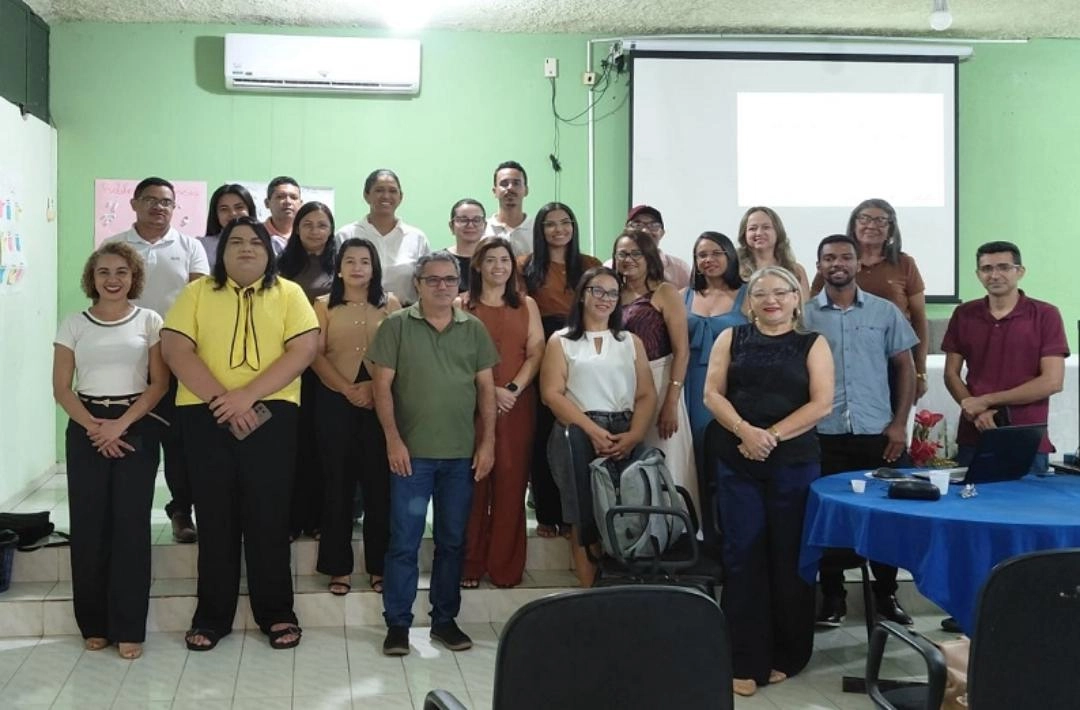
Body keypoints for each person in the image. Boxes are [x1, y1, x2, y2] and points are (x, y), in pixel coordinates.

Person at [161, 216, 318, 652]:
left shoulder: (290, 293)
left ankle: (277, 614)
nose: (246, 248)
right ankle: (212, 617)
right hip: (204, 415)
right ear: (221, 251)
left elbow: (304, 349)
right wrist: (223, 401)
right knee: (215, 519)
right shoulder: (196, 293)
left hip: (273, 413)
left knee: (269, 518)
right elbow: (176, 348)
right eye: (236, 242)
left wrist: (246, 396)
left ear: (270, 252)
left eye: (256, 242)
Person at [703, 266, 833, 697]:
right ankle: (743, 657)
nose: (771, 299)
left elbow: (822, 404)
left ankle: (786, 654)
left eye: (781, 292)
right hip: (737, 459)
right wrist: (746, 432)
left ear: (797, 299)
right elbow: (712, 394)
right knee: (743, 555)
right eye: (761, 293)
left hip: (793, 462)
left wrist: (771, 436)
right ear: (749, 301)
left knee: (789, 556)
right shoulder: (731, 338)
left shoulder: (812, 344)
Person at [369, 251, 498, 657]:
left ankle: (444, 620)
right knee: (404, 542)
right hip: (411, 457)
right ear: (418, 285)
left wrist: (488, 441)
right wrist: (392, 439)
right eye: (432, 280)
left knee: (452, 541)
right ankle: (398, 625)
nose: (442, 286)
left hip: (460, 456)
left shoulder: (474, 329)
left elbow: (486, 390)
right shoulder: (395, 327)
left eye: (449, 279)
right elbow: (382, 388)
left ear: (459, 283)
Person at [53, 242, 168, 661]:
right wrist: (95, 428)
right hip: (86, 425)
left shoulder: (150, 321)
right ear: (92, 278)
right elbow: (62, 388)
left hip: (134, 424)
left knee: (131, 526)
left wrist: (119, 425)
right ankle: (95, 623)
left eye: (121, 271)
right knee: (89, 526)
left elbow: (158, 384)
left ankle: (129, 626)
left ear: (133, 277)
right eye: (104, 272)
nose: (113, 279)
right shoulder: (73, 324)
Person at [803, 234, 919, 628]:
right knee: (829, 517)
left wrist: (900, 423)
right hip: (825, 432)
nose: (838, 263)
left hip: (878, 432)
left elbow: (904, 367)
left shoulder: (885, 312)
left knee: (887, 516)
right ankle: (832, 596)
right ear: (818, 265)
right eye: (829, 257)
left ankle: (886, 595)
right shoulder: (803, 317)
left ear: (857, 264)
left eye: (845, 257)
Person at [105, 176, 209, 545]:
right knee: (134, 435)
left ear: (174, 208)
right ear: (134, 204)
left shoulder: (190, 246)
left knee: (178, 438)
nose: (158, 207)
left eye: (166, 202)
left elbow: (201, 301)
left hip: (178, 356)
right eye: (150, 200)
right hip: (129, 358)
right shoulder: (114, 245)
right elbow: (105, 297)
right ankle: (126, 515)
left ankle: (181, 510)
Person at [540, 266, 656, 587]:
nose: (605, 299)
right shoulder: (561, 341)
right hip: (576, 429)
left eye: (612, 293)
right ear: (582, 295)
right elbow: (551, 394)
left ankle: (622, 588)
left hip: (624, 430)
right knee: (584, 515)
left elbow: (646, 394)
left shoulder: (630, 341)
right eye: (597, 291)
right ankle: (590, 592)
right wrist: (591, 430)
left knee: (627, 511)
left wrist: (634, 435)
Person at [311, 237, 401, 596]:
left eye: (365, 261)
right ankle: (337, 567)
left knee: (380, 487)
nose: (358, 267)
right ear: (339, 266)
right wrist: (347, 389)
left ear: (374, 267)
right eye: (350, 261)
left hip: (381, 398)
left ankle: (379, 566)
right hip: (335, 399)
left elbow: (399, 351)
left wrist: (371, 389)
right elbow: (315, 355)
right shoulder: (322, 305)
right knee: (338, 485)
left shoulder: (390, 303)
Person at [457, 237, 544, 589]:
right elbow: (454, 355)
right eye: (490, 260)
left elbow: (536, 351)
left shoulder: (527, 305)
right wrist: (489, 392)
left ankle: (505, 567)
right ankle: (470, 563)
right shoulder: (462, 304)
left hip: (516, 404)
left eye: (504, 260)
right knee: (473, 483)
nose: (498, 267)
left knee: (511, 485)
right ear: (477, 265)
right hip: (471, 405)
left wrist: (512, 389)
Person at [943, 241, 1068, 473]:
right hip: (975, 434)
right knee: (968, 506)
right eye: (987, 269)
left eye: (1003, 267)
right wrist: (977, 410)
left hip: (1027, 435)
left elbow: (1052, 381)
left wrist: (986, 401)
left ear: (1019, 271)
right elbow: (951, 373)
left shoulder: (1045, 315)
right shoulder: (964, 314)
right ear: (978, 274)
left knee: (1027, 508)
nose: (995, 275)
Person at [520, 202, 601, 539]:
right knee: (544, 431)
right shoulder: (526, 266)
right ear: (540, 231)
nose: (558, 230)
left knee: (577, 429)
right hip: (545, 347)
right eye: (550, 224)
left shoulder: (590, 265)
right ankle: (549, 512)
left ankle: (578, 513)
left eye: (565, 223)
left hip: (584, 348)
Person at [612, 229, 698, 519]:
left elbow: (682, 351)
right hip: (621, 387)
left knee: (667, 461)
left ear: (649, 256)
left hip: (661, 381)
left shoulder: (665, 292)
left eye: (635, 253)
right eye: (622, 253)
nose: (628, 259)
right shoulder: (611, 293)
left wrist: (671, 401)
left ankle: (676, 533)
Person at [810, 199, 931, 400]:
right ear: (854, 224)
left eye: (881, 220)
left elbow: (919, 319)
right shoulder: (836, 265)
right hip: (839, 359)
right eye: (865, 219)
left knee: (892, 421)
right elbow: (812, 309)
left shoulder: (904, 263)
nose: (872, 225)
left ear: (891, 229)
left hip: (894, 358)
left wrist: (920, 370)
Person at [278, 201, 337, 539]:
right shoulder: (281, 267)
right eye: (308, 224)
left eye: (322, 225)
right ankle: (290, 517)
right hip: (289, 366)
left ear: (331, 230)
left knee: (322, 444)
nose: (315, 231)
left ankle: (317, 519)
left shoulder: (341, 266)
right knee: (292, 443)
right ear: (297, 229)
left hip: (329, 366)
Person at [335, 169, 430, 304]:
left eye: (392, 191)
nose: (386, 196)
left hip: (405, 316)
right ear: (366, 195)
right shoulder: (346, 235)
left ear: (401, 197)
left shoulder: (417, 238)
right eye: (379, 190)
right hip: (356, 315)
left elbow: (425, 283)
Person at [603, 205, 692, 288]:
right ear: (626, 230)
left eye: (653, 226)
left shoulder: (679, 268)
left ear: (662, 233)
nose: (645, 230)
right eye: (637, 225)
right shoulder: (609, 267)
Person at [735, 206, 810, 298]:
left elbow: (805, 308)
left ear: (778, 232)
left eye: (766, 227)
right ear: (744, 234)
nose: (759, 233)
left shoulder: (796, 270)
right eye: (752, 228)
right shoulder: (734, 269)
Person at [200, 183, 258, 271]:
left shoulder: (266, 243)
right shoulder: (202, 246)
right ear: (216, 214)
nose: (233, 213)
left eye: (239, 207)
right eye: (224, 209)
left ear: (249, 209)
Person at [483, 160, 533, 257]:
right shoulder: (483, 229)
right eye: (504, 184)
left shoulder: (537, 229)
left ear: (526, 190)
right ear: (495, 191)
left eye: (516, 183)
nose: (510, 188)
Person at [446, 198, 487, 292]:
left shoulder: (494, 260)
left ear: (485, 225)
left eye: (476, 220)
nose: (470, 225)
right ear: (451, 226)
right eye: (463, 220)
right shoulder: (440, 261)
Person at [263, 176, 302, 255]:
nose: (288, 202)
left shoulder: (307, 235)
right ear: (267, 203)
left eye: (293, 197)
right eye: (280, 197)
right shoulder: (257, 234)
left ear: (301, 204)